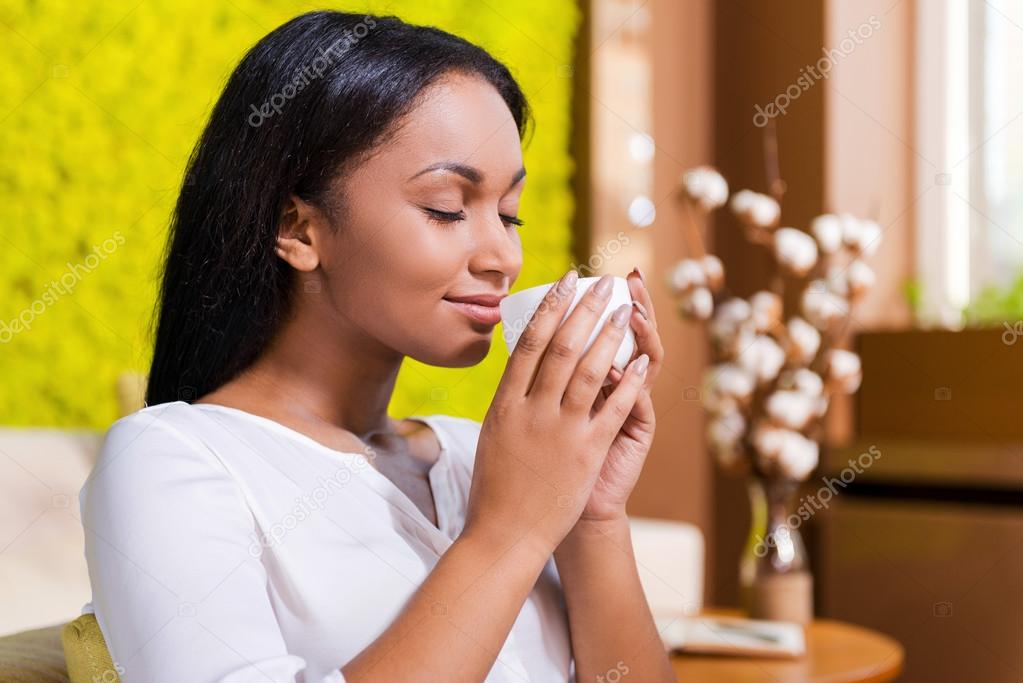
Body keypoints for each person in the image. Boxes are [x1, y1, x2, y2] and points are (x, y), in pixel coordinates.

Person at [79, 10, 671, 682]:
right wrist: (509, 532)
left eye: (509, 213)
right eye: (447, 207)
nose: (503, 254)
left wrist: (590, 514)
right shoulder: (174, 463)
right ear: (297, 227)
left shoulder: (480, 455)